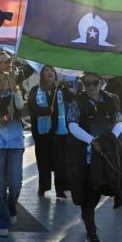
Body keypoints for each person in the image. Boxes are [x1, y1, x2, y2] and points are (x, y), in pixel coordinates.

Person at [66, 72, 122, 242]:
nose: (91, 87)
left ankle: (87, 216)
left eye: (94, 83)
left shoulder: (111, 100)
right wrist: (92, 141)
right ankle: (91, 232)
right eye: (87, 83)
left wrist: (106, 142)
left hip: (105, 157)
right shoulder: (76, 102)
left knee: (98, 191)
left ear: (101, 83)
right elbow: (72, 125)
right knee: (89, 193)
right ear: (82, 84)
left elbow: (119, 122)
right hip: (84, 157)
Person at [0, 70, 24, 237]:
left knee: (15, 183)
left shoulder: (15, 95)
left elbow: (21, 106)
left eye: (4, 79)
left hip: (15, 144)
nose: (2, 83)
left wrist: (16, 91)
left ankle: (12, 207)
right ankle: (2, 221)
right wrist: (2, 120)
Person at [27, 65, 73, 199]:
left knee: (60, 162)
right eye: (46, 70)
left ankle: (61, 189)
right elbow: (31, 105)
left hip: (59, 132)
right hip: (42, 133)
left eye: (52, 71)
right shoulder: (35, 90)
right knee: (43, 161)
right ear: (41, 75)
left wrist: (64, 87)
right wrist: (45, 111)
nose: (50, 72)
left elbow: (72, 98)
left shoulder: (61, 90)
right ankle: (43, 187)